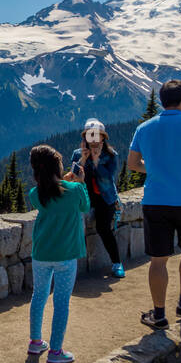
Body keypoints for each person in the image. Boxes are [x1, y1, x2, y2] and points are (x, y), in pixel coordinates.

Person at [126, 79, 181, 330]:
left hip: (155, 201)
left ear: (163, 101)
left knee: (158, 261)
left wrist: (155, 169)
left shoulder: (144, 128)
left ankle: (158, 314)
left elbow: (133, 164)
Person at [26, 145, 90, 363]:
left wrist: (62, 180)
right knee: (61, 303)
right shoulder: (75, 191)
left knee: (39, 295)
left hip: (41, 253)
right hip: (66, 255)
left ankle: (35, 342)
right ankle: (55, 351)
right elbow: (85, 206)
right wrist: (79, 183)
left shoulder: (35, 194)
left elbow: (51, 191)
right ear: (58, 168)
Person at [68, 117, 125, 278]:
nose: (93, 139)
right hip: (84, 195)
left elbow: (107, 177)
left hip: (104, 198)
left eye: (97, 135)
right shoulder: (77, 154)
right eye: (90, 135)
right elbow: (73, 175)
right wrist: (84, 159)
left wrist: (96, 160)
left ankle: (117, 263)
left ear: (103, 138)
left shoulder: (111, 155)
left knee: (103, 228)